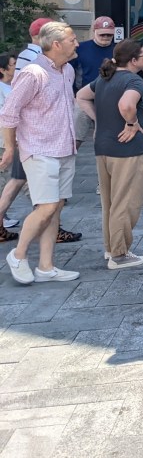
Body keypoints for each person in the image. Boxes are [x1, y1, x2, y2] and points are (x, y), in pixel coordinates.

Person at [0, 22, 81, 284]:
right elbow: (9, 112)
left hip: (64, 148)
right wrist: (11, 147)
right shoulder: (33, 73)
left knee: (55, 208)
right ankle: (18, 254)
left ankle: (46, 267)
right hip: (39, 148)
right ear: (56, 44)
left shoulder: (67, 70)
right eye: (72, 39)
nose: (77, 43)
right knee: (45, 207)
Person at [75, 38, 143, 269]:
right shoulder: (133, 80)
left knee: (110, 202)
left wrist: (99, 119)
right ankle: (120, 254)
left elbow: (81, 96)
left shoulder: (105, 78)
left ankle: (112, 249)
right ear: (133, 60)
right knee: (125, 202)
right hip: (128, 150)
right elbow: (127, 106)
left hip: (104, 147)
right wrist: (131, 124)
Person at [0, 51, 19, 240]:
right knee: (6, 178)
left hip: (16, 139)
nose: (16, 67)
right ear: (3, 69)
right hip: (4, 141)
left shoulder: (13, 85)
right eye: (13, 65)